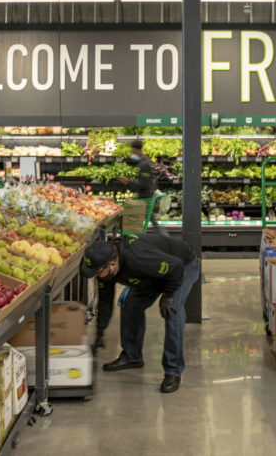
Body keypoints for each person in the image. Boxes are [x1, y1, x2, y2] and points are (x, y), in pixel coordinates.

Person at [81, 233, 200, 394]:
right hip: (152, 272)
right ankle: (132, 356)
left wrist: (168, 296)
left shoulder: (138, 258)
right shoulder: (106, 271)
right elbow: (105, 302)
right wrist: (100, 332)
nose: (96, 276)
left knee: (173, 311)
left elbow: (176, 266)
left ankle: (173, 371)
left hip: (182, 267)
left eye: (97, 272)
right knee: (130, 304)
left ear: (112, 263)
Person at [117, 140, 166, 237]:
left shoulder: (144, 164)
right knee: (152, 222)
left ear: (137, 150)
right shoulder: (144, 161)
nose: (132, 154)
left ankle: (165, 239)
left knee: (149, 222)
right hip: (146, 196)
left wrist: (128, 182)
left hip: (146, 197)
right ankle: (164, 239)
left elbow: (144, 184)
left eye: (133, 151)